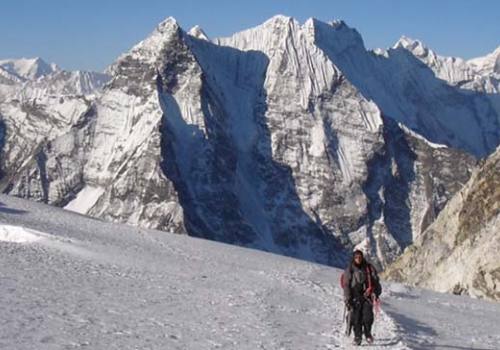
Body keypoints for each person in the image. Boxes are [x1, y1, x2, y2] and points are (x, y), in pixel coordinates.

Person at [343, 249, 382, 346]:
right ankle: (357, 336)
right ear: (353, 258)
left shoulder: (369, 268)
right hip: (354, 296)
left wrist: (376, 293)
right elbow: (346, 285)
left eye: (360, 257)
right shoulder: (350, 270)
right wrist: (348, 298)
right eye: (356, 257)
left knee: (368, 316)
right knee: (356, 317)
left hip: (367, 296)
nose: (358, 259)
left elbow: (376, 282)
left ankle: (368, 333)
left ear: (362, 257)